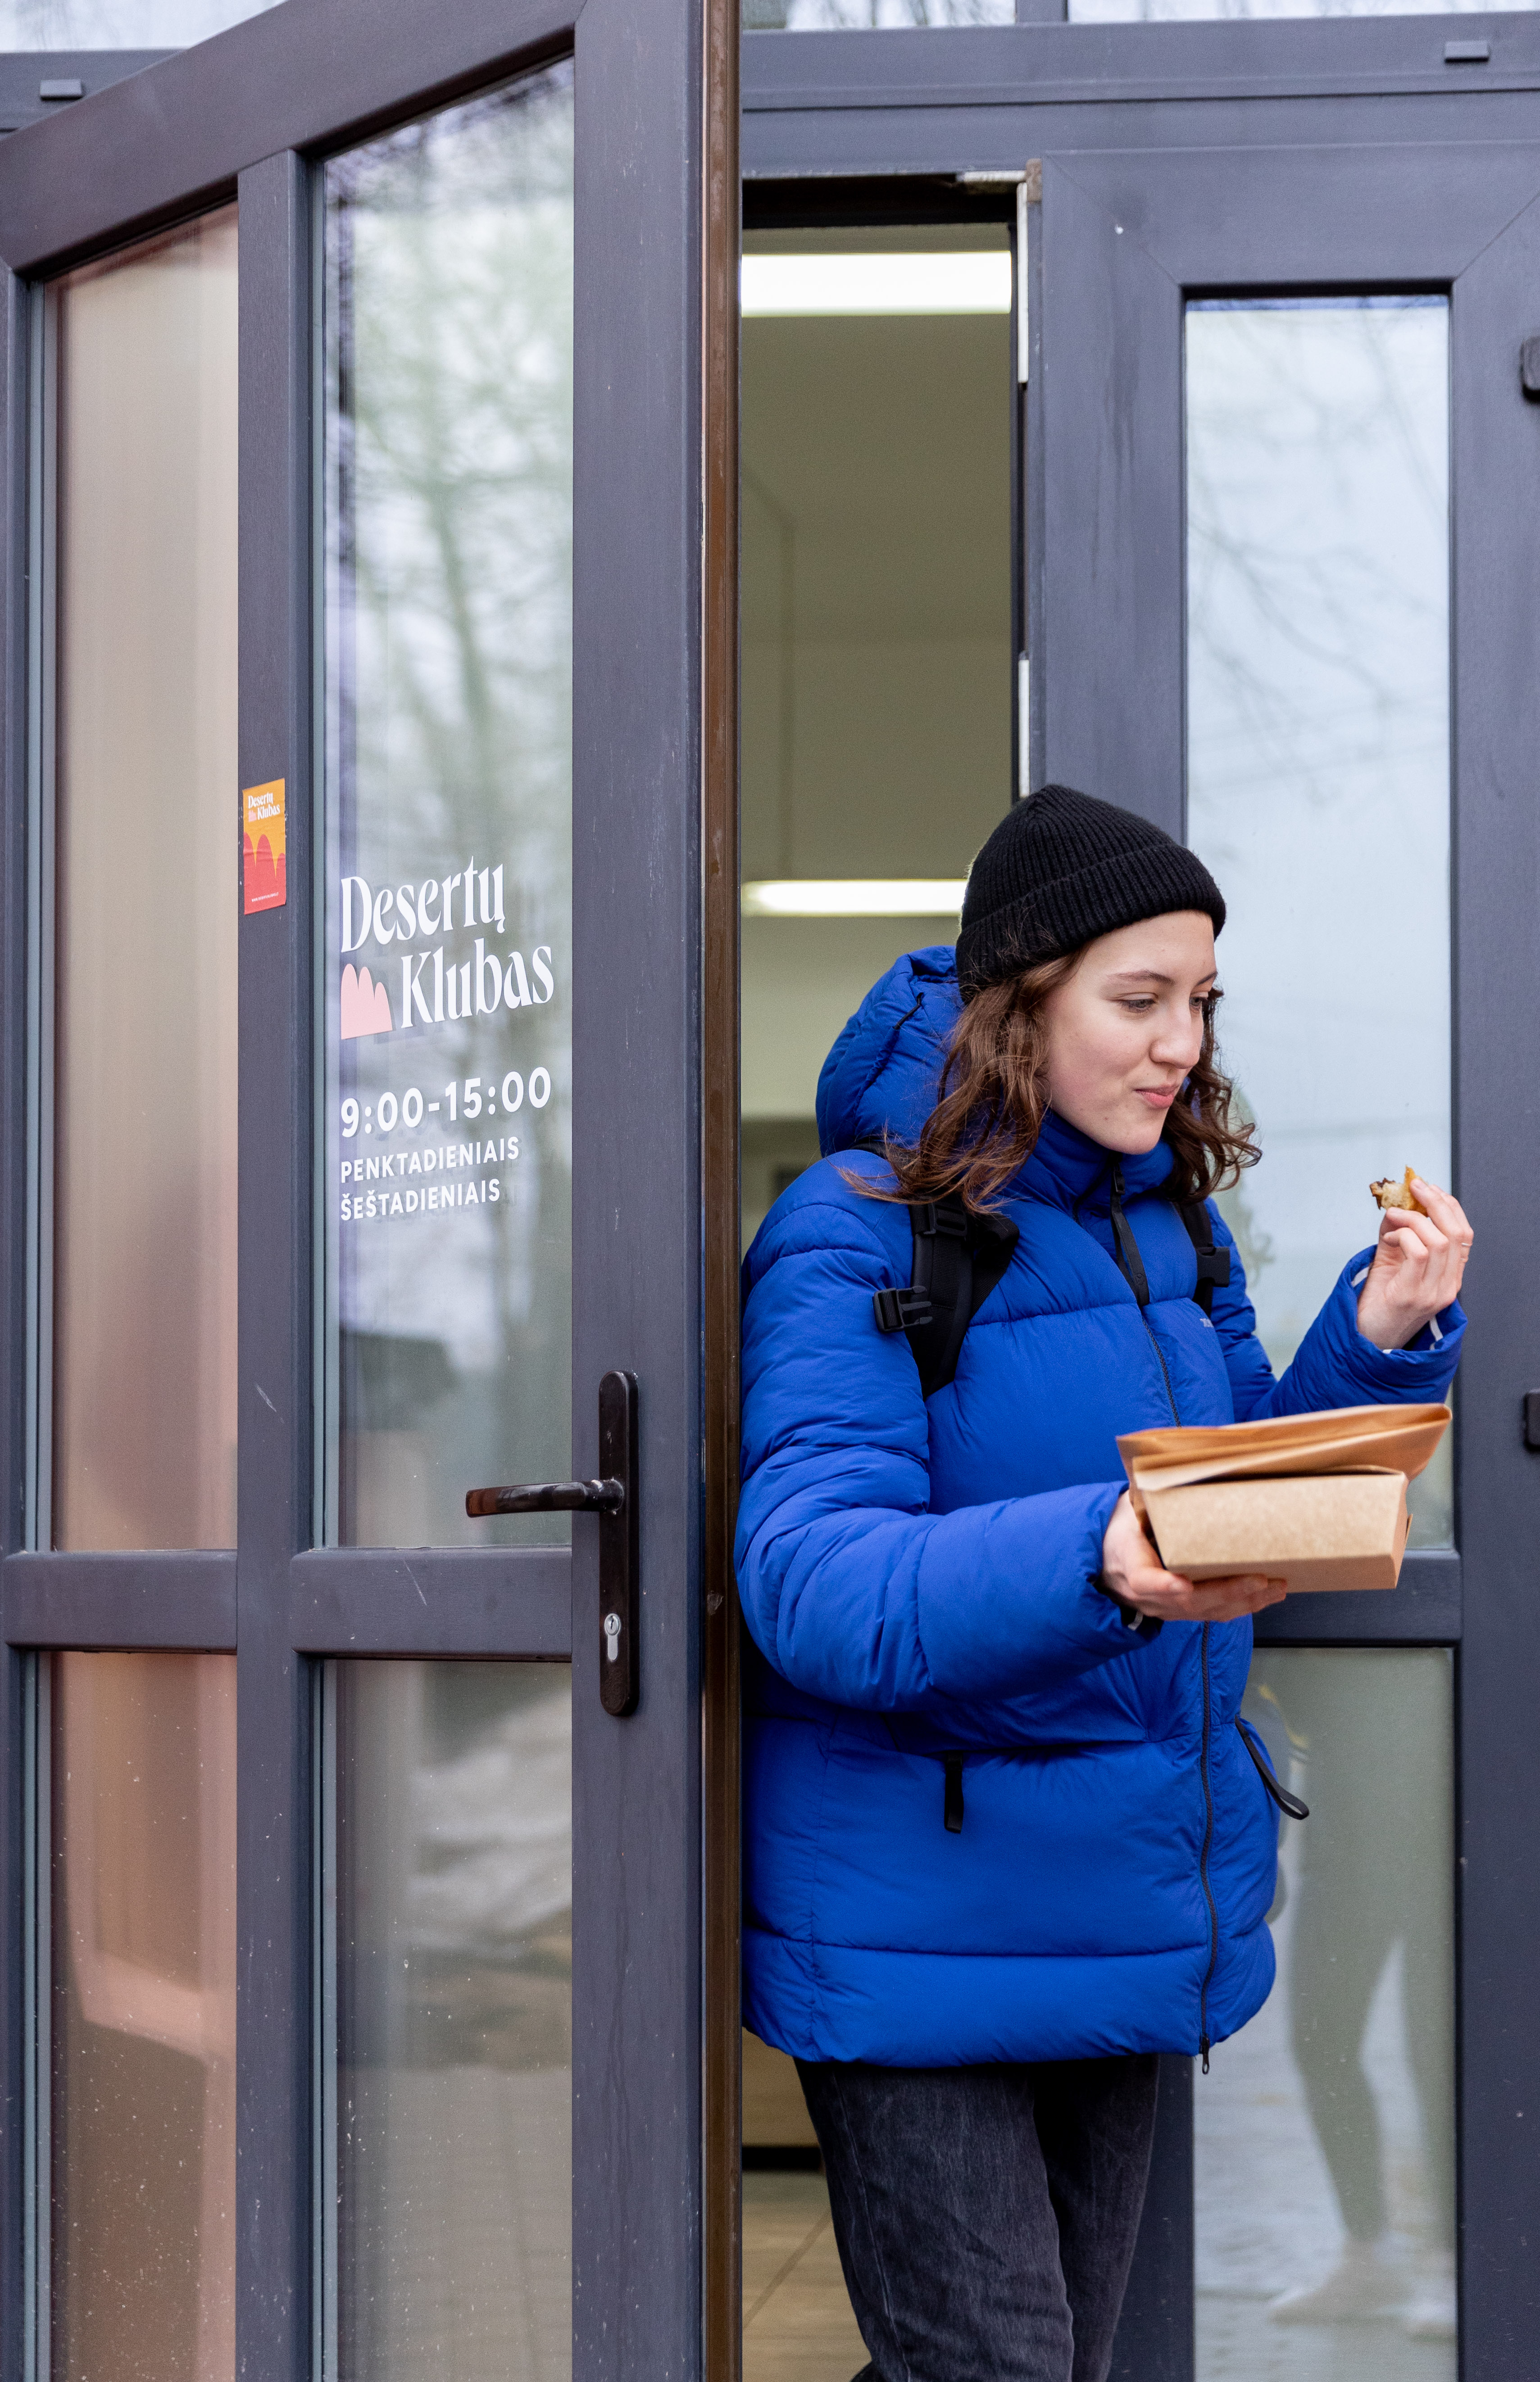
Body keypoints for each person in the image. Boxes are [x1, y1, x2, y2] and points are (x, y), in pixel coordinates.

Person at [735, 786, 1471, 2382]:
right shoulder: (854, 1233)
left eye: (1199, 1002)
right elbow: (811, 1581)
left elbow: (1232, 1504)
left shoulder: (1171, 1237)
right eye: (1137, 1001)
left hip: (1123, 1898)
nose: (1178, 1047)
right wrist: (1098, 1552)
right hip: (918, 1919)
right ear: (1018, 1007)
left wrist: (1378, 1337)